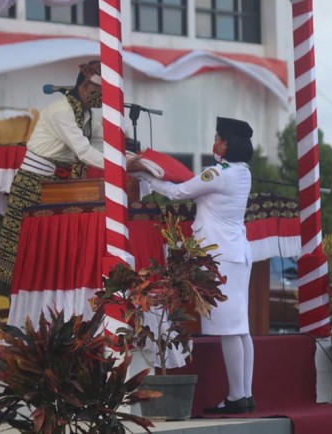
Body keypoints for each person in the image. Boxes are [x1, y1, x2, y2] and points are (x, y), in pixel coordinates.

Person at [135, 117, 256, 414]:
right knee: (241, 329)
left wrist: (146, 177)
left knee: (231, 329)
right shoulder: (243, 172)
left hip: (220, 257)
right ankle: (245, 394)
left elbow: (177, 192)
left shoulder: (219, 173)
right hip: (237, 252)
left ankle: (237, 398)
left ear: (227, 144)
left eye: (218, 138)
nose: (214, 142)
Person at [0, 59, 106, 285]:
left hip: (54, 185)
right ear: (86, 86)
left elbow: (100, 147)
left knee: (47, 255)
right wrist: (121, 165)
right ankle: (6, 309)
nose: (103, 98)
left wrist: (128, 158)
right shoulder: (61, 110)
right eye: (100, 92)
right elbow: (84, 152)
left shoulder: (89, 113)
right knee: (22, 252)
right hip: (33, 182)